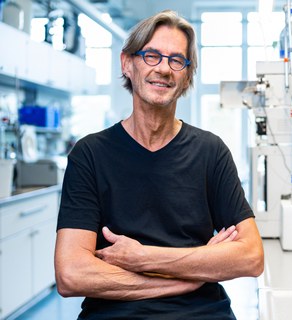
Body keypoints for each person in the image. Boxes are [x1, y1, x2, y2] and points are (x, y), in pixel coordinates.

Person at [54, 9, 264, 319]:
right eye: (151, 56)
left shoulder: (211, 152)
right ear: (128, 64)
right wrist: (191, 274)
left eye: (176, 60)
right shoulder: (90, 155)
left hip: (203, 313)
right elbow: (71, 274)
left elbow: (251, 257)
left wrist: (142, 257)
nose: (164, 68)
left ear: (186, 76)